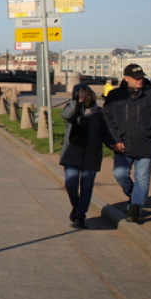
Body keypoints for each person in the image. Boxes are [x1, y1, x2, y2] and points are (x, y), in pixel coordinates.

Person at [102, 64, 151, 223]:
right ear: (126, 78)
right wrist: (114, 141)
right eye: (136, 78)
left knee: (142, 178)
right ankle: (134, 194)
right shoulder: (115, 96)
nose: (140, 80)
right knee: (120, 174)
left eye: (141, 77)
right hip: (123, 145)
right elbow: (106, 120)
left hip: (146, 144)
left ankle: (135, 208)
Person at [59, 84, 107, 229]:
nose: (84, 96)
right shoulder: (72, 109)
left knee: (86, 186)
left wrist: (117, 145)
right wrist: (77, 102)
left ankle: (81, 215)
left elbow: (107, 132)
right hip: (72, 153)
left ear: (91, 94)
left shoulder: (99, 113)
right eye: (80, 93)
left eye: (86, 93)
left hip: (91, 154)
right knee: (71, 184)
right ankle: (77, 206)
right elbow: (66, 115)